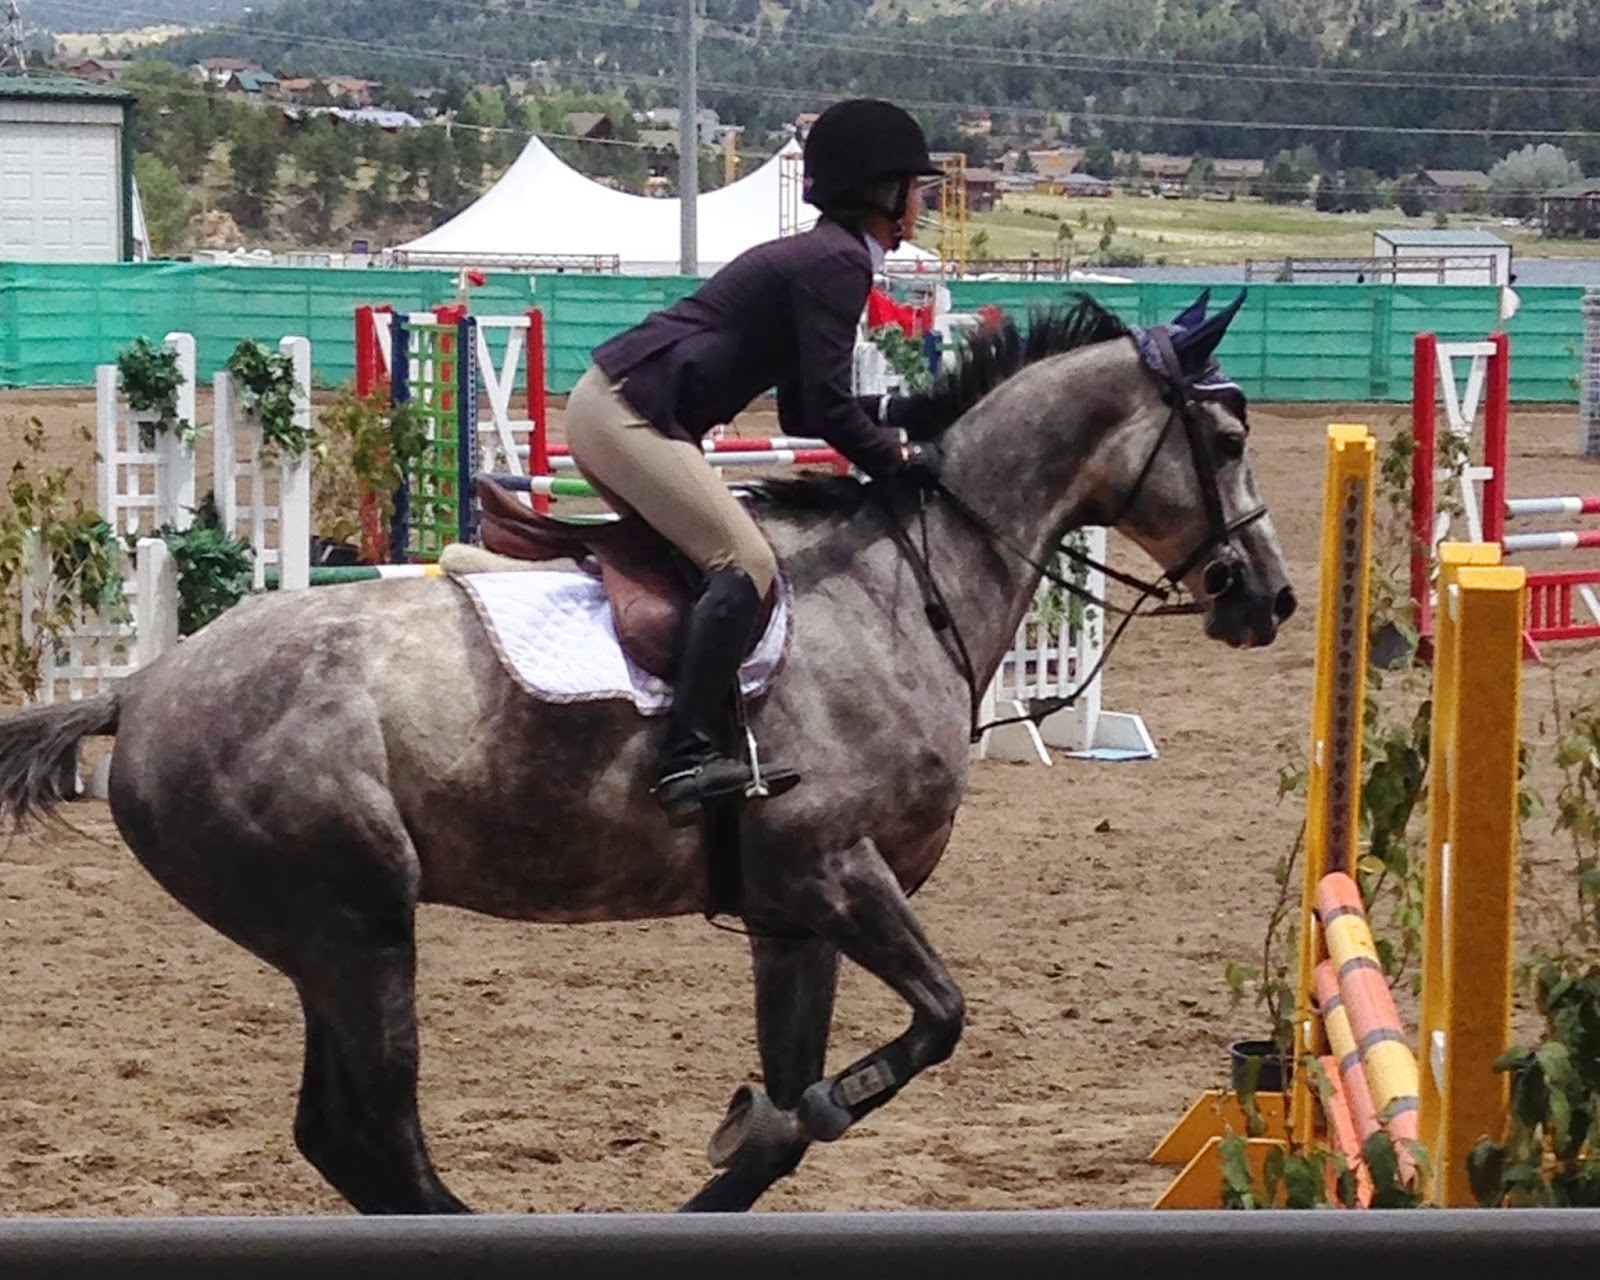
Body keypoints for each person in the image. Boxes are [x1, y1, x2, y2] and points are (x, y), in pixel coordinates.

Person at [565, 98, 945, 824]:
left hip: (620, 403)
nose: (922, 204)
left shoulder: (825, 255)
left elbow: (803, 409)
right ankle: (685, 757)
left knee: (710, 561)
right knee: (744, 561)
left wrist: (904, 418)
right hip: (627, 413)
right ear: (883, 192)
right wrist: (897, 460)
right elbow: (829, 412)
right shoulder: (839, 262)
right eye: (916, 189)